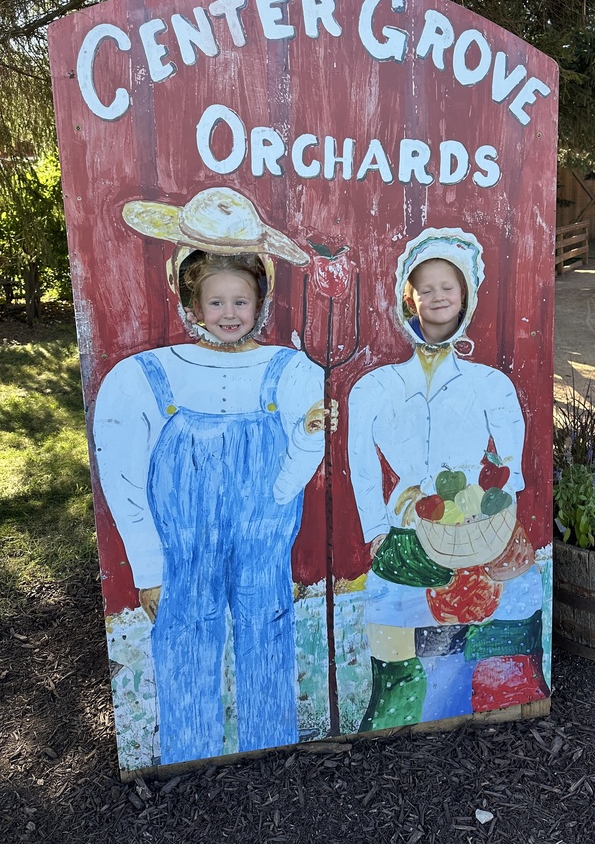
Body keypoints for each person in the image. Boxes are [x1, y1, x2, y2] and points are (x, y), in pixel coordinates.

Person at [93, 188, 334, 766]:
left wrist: (283, 480)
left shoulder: (291, 371)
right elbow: (123, 478)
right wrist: (148, 565)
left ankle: (270, 746)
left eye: (241, 301)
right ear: (191, 301)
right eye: (216, 300)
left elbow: (305, 450)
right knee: (185, 638)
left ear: (261, 300)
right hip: (183, 554)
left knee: (267, 631)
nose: (229, 313)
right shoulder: (144, 378)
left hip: (264, 545)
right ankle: (188, 753)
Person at [348, 229, 548, 733]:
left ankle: (496, 708)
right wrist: (375, 528)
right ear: (407, 297)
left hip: (482, 528)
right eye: (426, 287)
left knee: (508, 625)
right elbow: (362, 462)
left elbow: (509, 465)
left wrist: (500, 517)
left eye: (449, 287)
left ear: (467, 297)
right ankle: (404, 724)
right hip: (407, 531)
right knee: (397, 646)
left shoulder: (490, 385)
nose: (438, 296)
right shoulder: (373, 387)